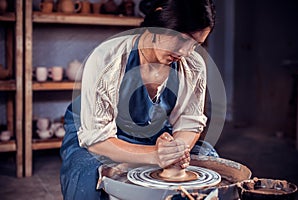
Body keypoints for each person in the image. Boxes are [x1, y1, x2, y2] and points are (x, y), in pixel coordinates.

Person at [60, 0, 216, 199]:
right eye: (182, 40)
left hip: (154, 132)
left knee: (207, 156)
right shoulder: (107, 57)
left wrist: (175, 150)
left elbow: (189, 122)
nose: (186, 52)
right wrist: (155, 156)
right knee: (86, 172)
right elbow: (97, 140)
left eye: (196, 44)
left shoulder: (193, 64)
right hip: (98, 134)